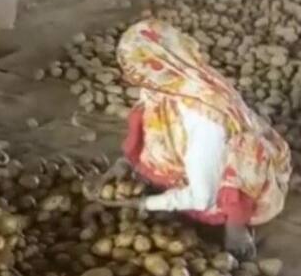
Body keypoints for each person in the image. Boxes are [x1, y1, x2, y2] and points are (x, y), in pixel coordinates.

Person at [87, 19, 292, 258]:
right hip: (213, 153)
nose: (128, 74)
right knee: (155, 121)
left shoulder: (202, 120)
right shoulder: (176, 75)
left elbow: (202, 197)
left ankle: (236, 225)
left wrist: (145, 204)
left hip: (236, 175)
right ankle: (174, 183)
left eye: (132, 67)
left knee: (208, 196)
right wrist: (126, 162)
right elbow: (149, 122)